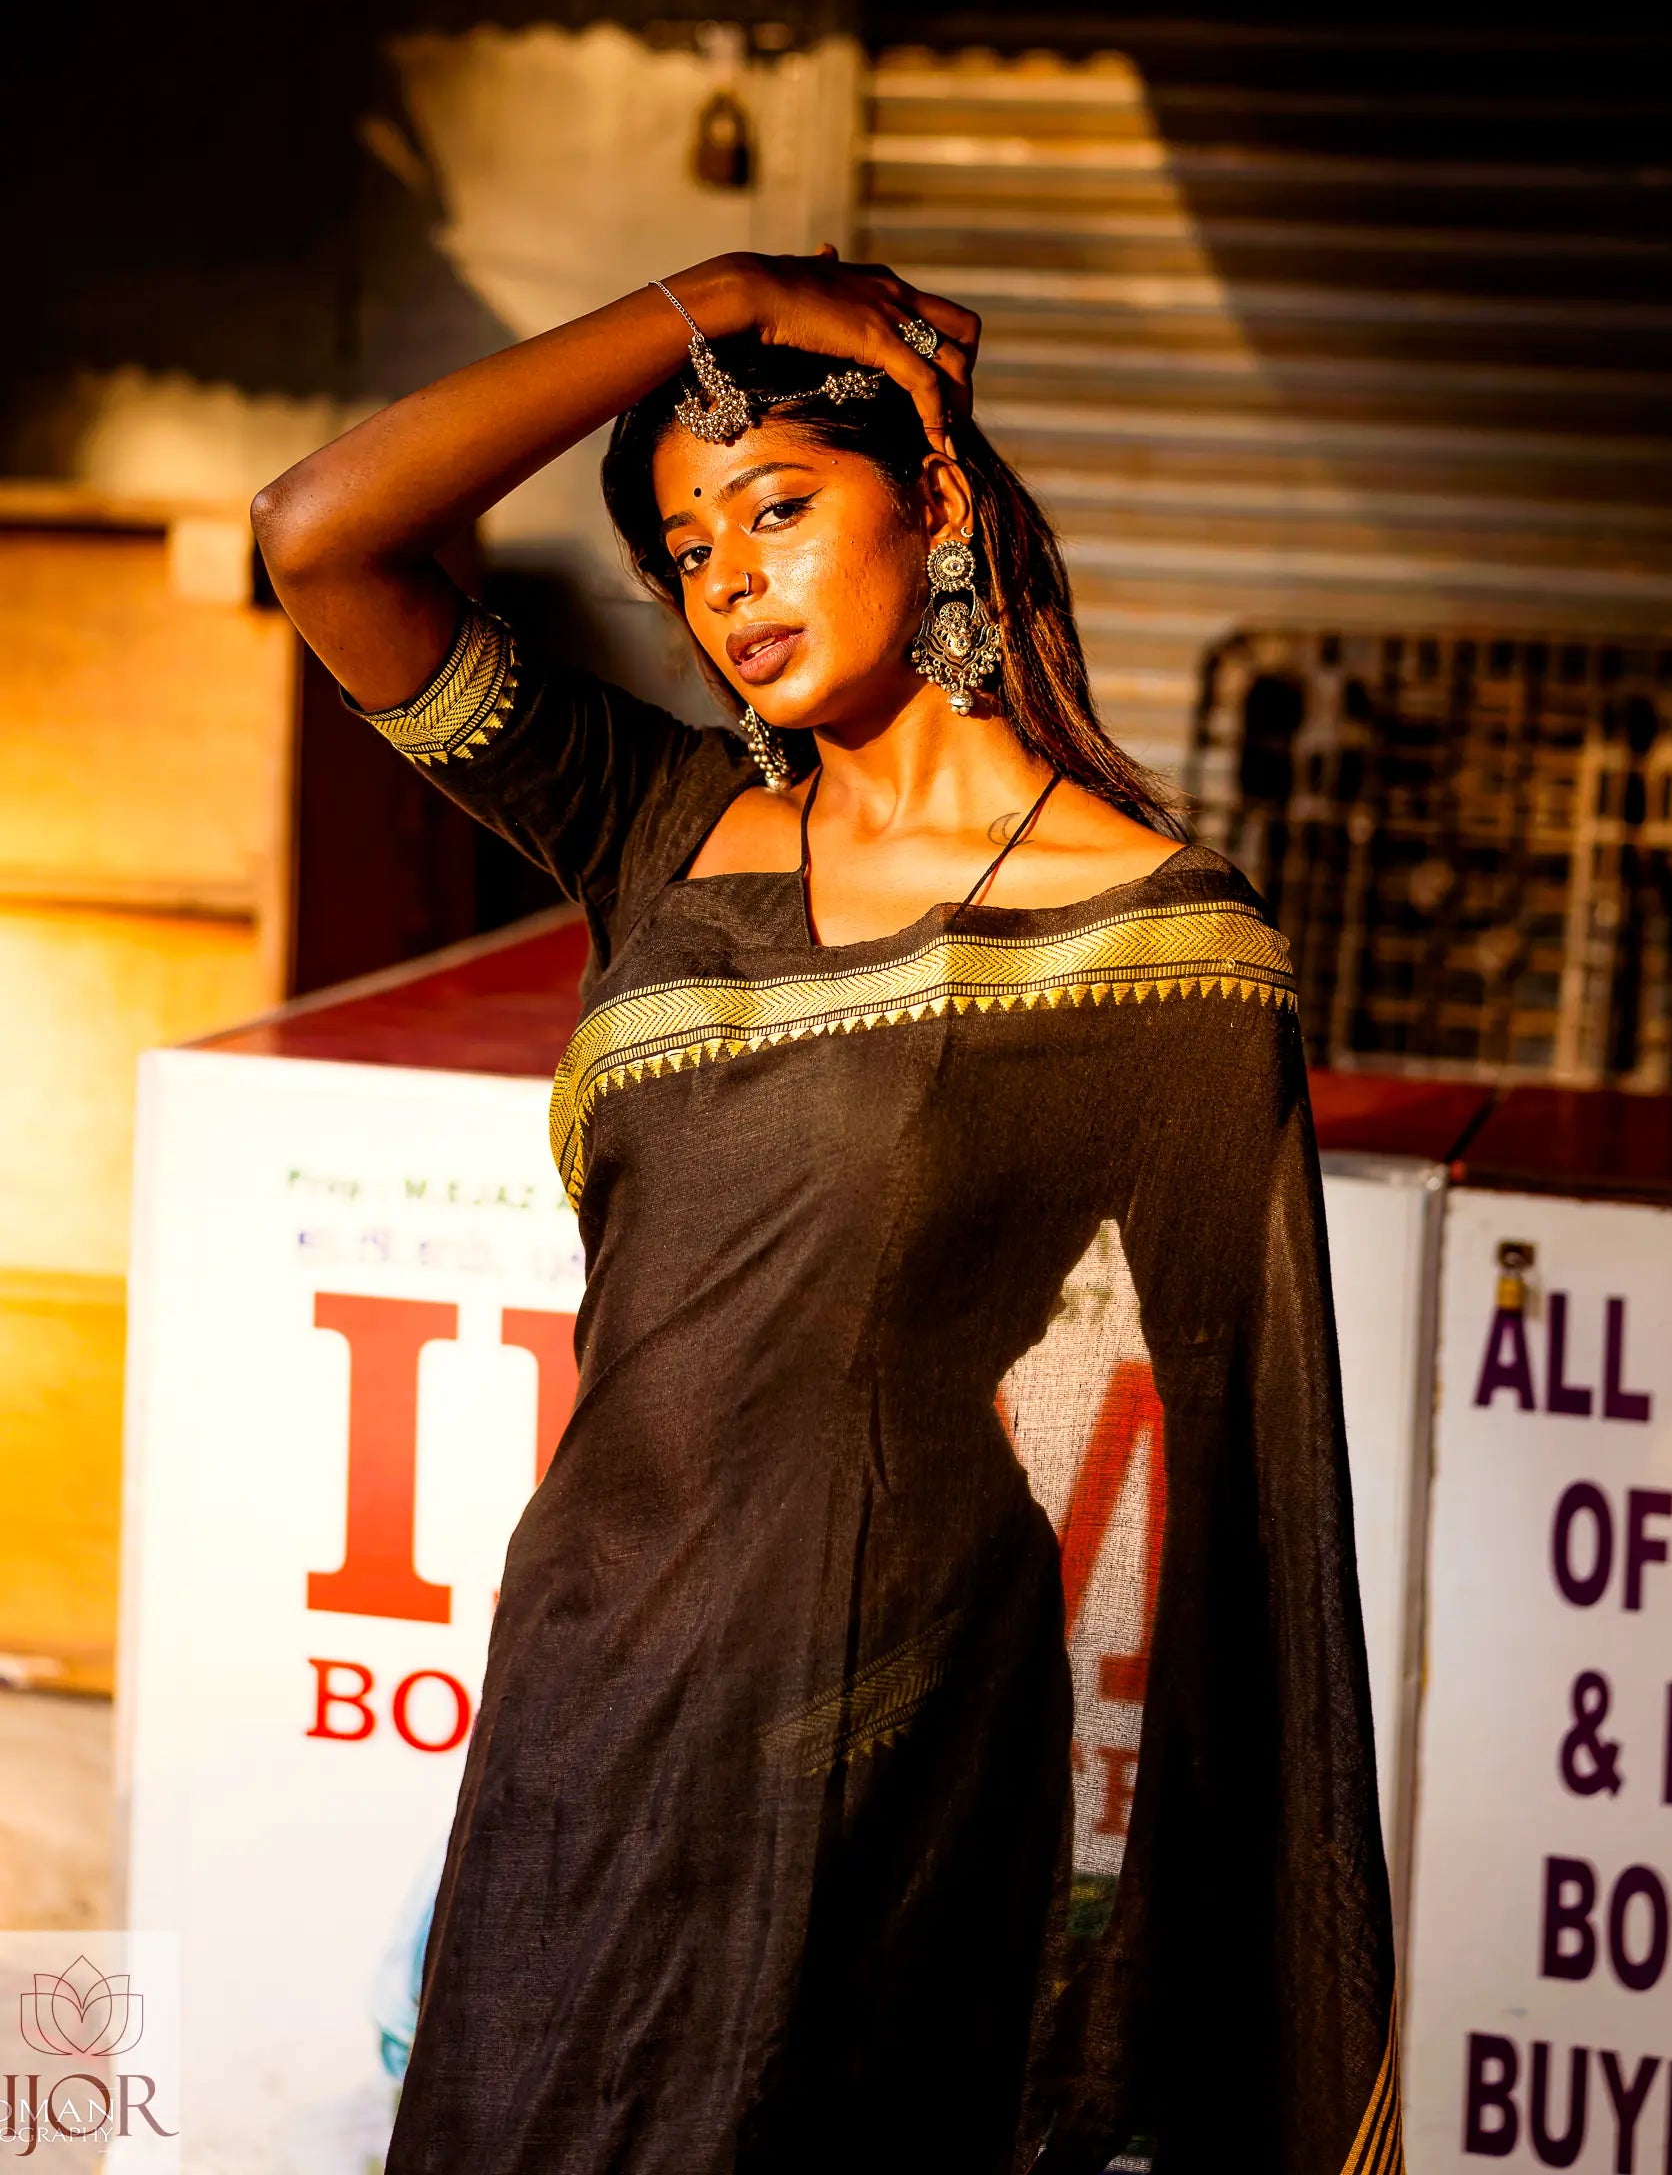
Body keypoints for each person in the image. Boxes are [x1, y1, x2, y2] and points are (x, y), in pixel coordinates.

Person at [253, 250, 1402, 2175]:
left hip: (907, 1759)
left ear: (936, 508)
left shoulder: (1163, 949)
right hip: (598, 1703)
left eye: (779, 511)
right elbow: (320, 536)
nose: (732, 588)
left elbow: (1242, 1474)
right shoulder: (657, 823)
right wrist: (704, 302)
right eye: (690, 553)